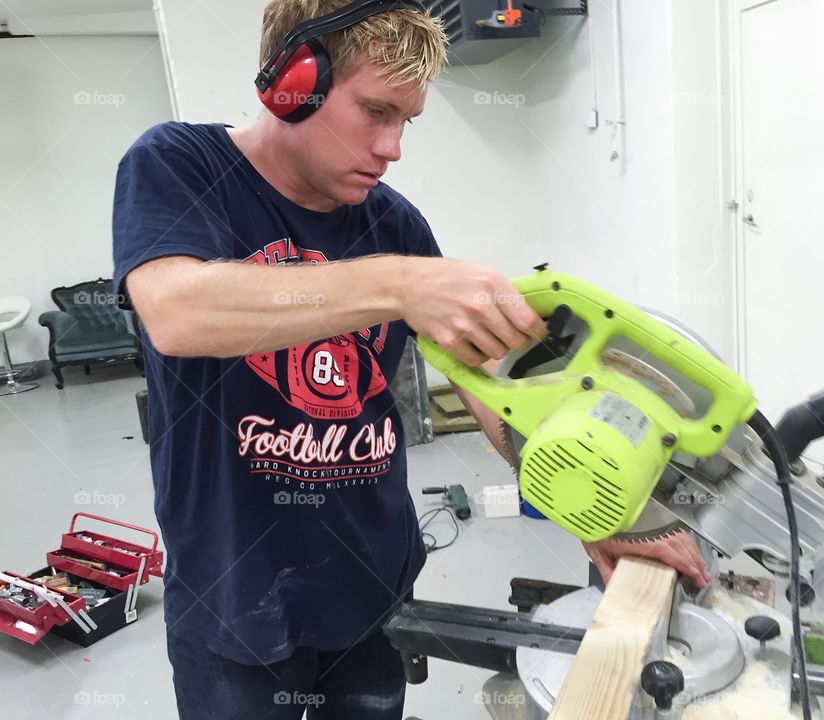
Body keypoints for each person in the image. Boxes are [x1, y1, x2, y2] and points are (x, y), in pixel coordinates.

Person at [112, 2, 710, 718]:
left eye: (407, 122)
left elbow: (491, 393)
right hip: (232, 592)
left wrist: (594, 510)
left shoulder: (392, 223)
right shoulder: (179, 164)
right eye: (375, 112)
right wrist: (398, 282)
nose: (393, 147)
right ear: (292, 83)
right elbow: (176, 311)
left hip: (370, 582)